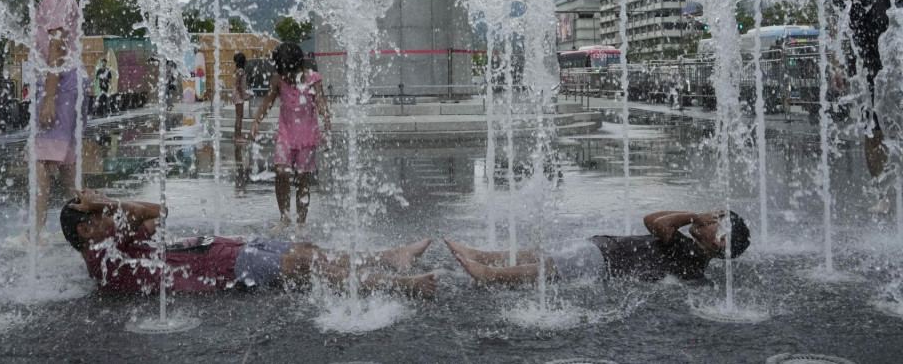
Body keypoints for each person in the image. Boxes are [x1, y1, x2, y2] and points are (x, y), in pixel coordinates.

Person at [60, 189, 435, 296]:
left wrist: (109, 205)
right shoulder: (102, 261)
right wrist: (108, 203)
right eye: (101, 217)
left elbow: (159, 212)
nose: (110, 217)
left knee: (310, 251)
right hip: (223, 268)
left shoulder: (116, 244)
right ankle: (401, 286)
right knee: (307, 266)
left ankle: (391, 256)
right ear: (86, 232)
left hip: (226, 248)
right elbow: (150, 215)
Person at [6, 0, 87, 245]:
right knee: (67, 166)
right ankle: (89, 227)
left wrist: (49, 98)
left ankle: (36, 233)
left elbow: (56, 49)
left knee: (40, 158)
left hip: (62, 85)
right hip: (62, 83)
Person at [447, 209, 750, 285]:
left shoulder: (692, 253)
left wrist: (692, 216)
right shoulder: (694, 256)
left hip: (605, 259)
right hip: (603, 252)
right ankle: (483, 256)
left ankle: (491, 274)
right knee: (543, 254)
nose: (708, 215)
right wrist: (696, 218)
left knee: (546, 267)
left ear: (720, 239)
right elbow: (658, 220)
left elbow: (654, 222)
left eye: (716, 218)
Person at [831, 0, 903, 214]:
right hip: (866, 67)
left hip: (899, 62)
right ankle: (884, 193)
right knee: (874, 132)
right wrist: (835, 65)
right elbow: (836, 26)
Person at [251, 43, 331, 233]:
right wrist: (256, 121)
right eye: (282, 71)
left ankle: (301, 222)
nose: (286, 75)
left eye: (288, 71)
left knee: (302, 177)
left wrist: (328, 128)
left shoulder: (313, 79)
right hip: (286, 134)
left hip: (307, 136)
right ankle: (284, 218)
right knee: (281, 171)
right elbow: (268, 101)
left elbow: (321, 105)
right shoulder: (279, 80)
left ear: (297, 66)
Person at [231, 52, 251, 177]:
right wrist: (244, 95)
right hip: (238, 95)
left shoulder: (238, 70)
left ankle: (237, 135)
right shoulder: (240, 72)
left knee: (239, 115)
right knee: (239, 116)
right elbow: (239, 85)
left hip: (237, 94)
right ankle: (237, 136)